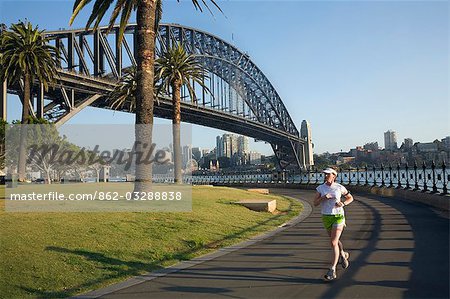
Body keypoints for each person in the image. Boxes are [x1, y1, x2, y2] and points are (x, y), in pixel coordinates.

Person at [314, 167, 354, 281]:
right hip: (326, 217)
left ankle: (332, 270)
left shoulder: (339, 187)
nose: (326, 176)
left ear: (334, 176)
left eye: (328, 174)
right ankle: (342, 254)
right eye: (325, 174)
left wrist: (343, 203)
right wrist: (323, 198)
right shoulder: (320, 188)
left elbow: (350, 198)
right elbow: (315, 203)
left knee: (333, 242)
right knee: (335, 242)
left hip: (338, 217)